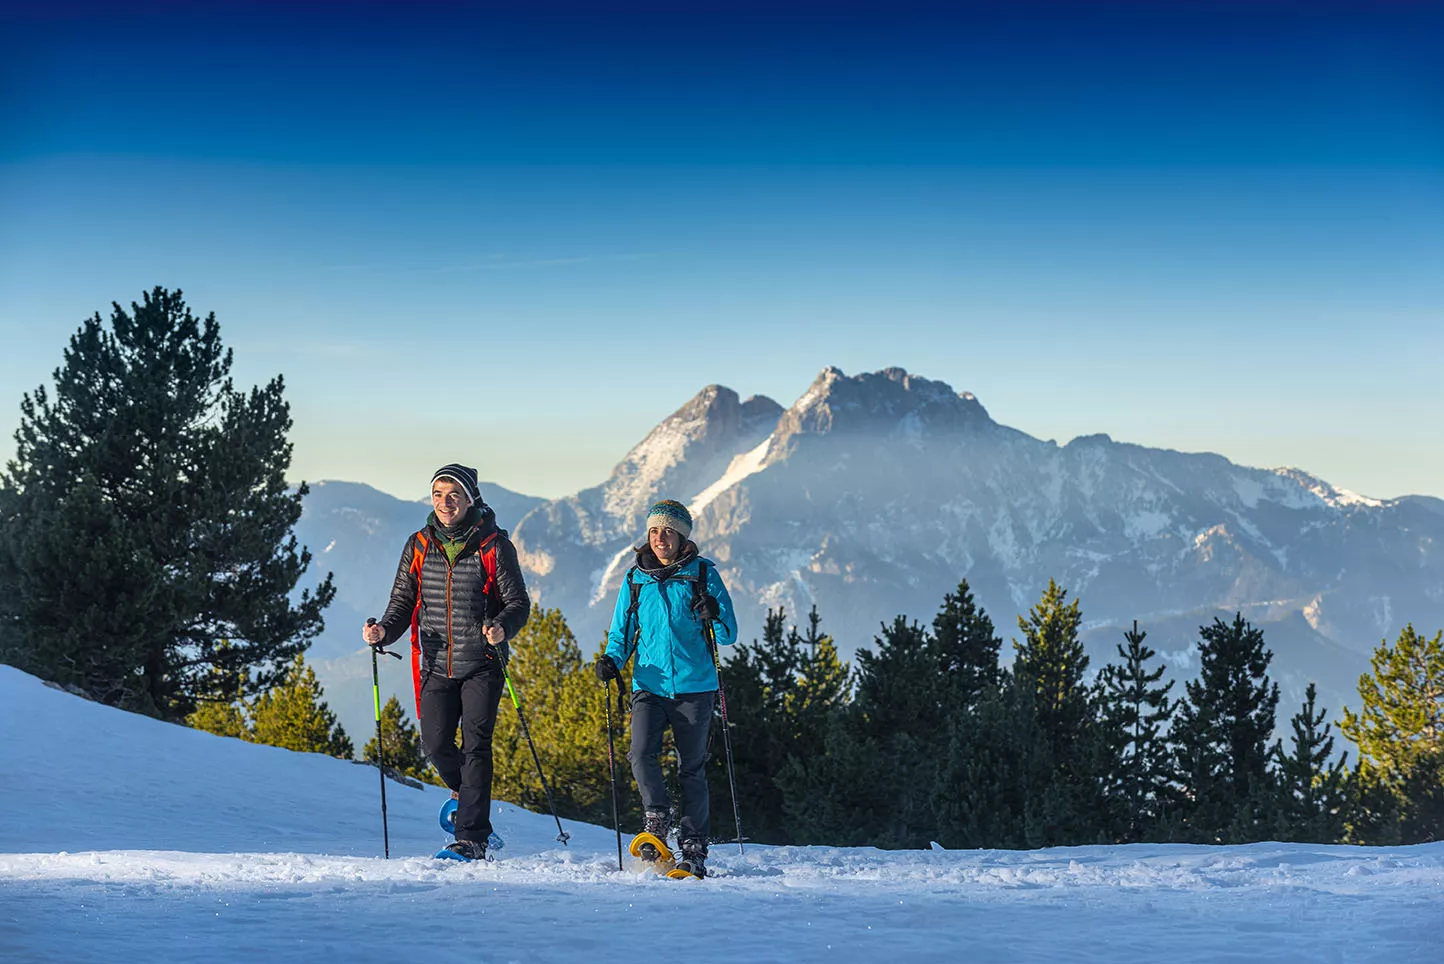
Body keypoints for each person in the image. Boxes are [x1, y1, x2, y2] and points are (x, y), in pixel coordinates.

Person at [363, 463, 531, 861]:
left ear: (470, 499)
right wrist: (383, 631)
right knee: (435, 744)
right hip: (436, 662)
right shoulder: (419, 544)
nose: (444, 503)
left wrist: (503, 627)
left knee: (476, 748)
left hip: (483, 663)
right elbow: (402, 603)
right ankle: (466, 793)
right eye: (437, 494)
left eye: (453, 495)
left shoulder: (494, 545)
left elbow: (518, 604)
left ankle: (472, 837)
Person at [594, 499, 737, 878]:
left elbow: (728, 634)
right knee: (640, 754)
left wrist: (714, 612)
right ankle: (656, 818)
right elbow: (621, 633)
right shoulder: (634, 578)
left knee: (692, 769)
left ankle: (693, 844)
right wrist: (612, 659)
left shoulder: (703, 575)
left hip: (695, 686)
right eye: (655, 531)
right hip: (649, 684)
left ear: (682, 536)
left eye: (669, 531)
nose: (660, 538)